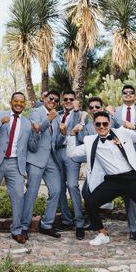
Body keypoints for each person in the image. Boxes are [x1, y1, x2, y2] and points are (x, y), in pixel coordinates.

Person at [66, 111, 136, 252]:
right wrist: (72, 134)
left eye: (105, 123)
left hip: (133, 179)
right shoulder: (90, 141)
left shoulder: (123, 133)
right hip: (113, 181)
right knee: (90, 203)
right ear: (94, 125)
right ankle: (102, 233)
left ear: (110, 123)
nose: (102, 126)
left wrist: (134, 127)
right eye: (98, 124)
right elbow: (71, 153)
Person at [0, 92, 39, 244]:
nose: (19, 104)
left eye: (22, 102)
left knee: (18, 196)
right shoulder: (0, 114)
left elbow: (33, 146)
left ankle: (16, 231)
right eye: (16, 101)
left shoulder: (27, 123)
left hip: (15, 163)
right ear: (11, 102)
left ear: (24, 105)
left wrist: (36, 132)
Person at [109, 85, 136, 239]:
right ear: (122, 95)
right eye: (125, 93)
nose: (128, 94)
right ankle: (133, 228)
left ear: (135, 96)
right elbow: (110, 130)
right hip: (122, 156)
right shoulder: (114, 112)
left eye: (131, 93)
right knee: (128, 193)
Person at [21, 90, 63, 239]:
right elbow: (37, 130)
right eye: (51, 98)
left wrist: (63, 134)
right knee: (32, 192)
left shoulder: (56, 117)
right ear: (44, 98)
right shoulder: (35, 112)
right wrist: (49, 119)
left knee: (56, 190)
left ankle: (46, 225)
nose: (53, 101)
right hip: (35, 158)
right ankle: (24, 227)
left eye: (56, 100)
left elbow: (56, 142)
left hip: (51, 159)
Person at [55, 90, 86, 238]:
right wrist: (62, 134)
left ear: (75, 101)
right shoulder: (57, 115)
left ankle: (79, 223)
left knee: (72, 185)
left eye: (71, 99)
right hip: (59, 152)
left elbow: (79, 129)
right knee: (59, 187)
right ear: (62, 100)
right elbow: (56, 139)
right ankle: (67, 220)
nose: (68, 101)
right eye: (65, 99)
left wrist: (76, 109)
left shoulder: (80, 114)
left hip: (72, 154)